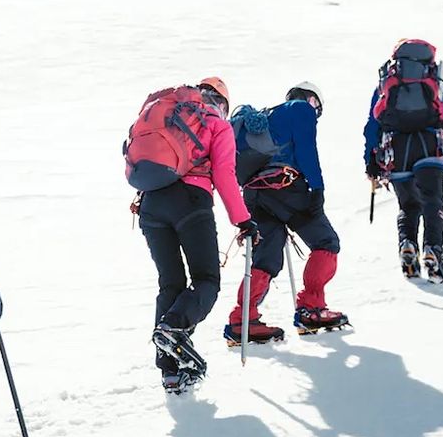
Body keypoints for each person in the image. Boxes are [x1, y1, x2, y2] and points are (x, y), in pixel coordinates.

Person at [135, 77, 256, 393]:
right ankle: (174, 330)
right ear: (223, 103)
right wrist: (243, 221)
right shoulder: (216, 123)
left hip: (151, 204)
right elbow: (225, 176)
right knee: (206, 281)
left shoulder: (169, 109)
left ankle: (170, 371)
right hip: (191, 201)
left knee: (170, 284)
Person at [229, 82, 349, 339]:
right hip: (284, 186)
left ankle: (242, 319)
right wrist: (317, 188)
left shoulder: (266, 118)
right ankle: (311, 308)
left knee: (267, 254)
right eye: (316, 106)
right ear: (309, 98)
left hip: (253, 194)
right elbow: (307, 150)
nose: (315, 112)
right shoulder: (300, 109)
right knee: (326, 242)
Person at [363, 40, 443, 283]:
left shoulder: (386, 83)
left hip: (396, 151)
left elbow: (372, 125)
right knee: (432, 200)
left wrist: (371, 161)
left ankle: (407, 246)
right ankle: (433, 250)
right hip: (430, 145)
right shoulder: (435, 81)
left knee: (408, 205)